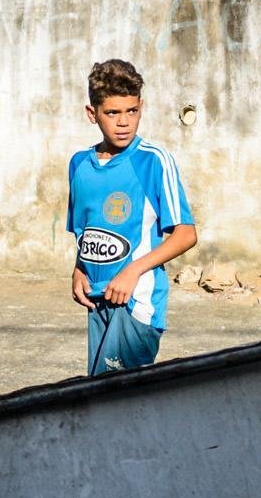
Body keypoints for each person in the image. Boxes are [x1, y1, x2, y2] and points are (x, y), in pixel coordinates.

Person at [67, 58, 197, 375]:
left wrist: (132, 272)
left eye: (132, 111)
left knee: (117, 397)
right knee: (99, 392)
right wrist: (78, 269)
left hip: (136, 302)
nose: (124, 122)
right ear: (92, 113)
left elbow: (186, 234)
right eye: (112, 113)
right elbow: (86, 230)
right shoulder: (79, 164)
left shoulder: (154, 161)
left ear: (141, 107)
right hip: (96, 299)